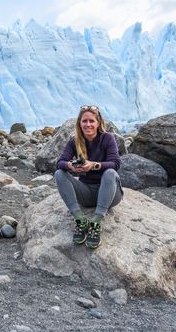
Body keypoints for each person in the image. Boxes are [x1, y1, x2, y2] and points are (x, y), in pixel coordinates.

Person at [54, 105, 123, 249]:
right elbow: (59, 163)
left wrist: (94, 165)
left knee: (110, 173)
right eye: (84, 121)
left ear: (98, 123)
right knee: (59, 173)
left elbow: (115, 163)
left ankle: (96, 222)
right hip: (87, 193)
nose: (88, 124)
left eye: (91, 121)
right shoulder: (74, 142)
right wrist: (70, 166)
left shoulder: (107, 138)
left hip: (110, 194)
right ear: (79, 123)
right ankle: (80, 219)